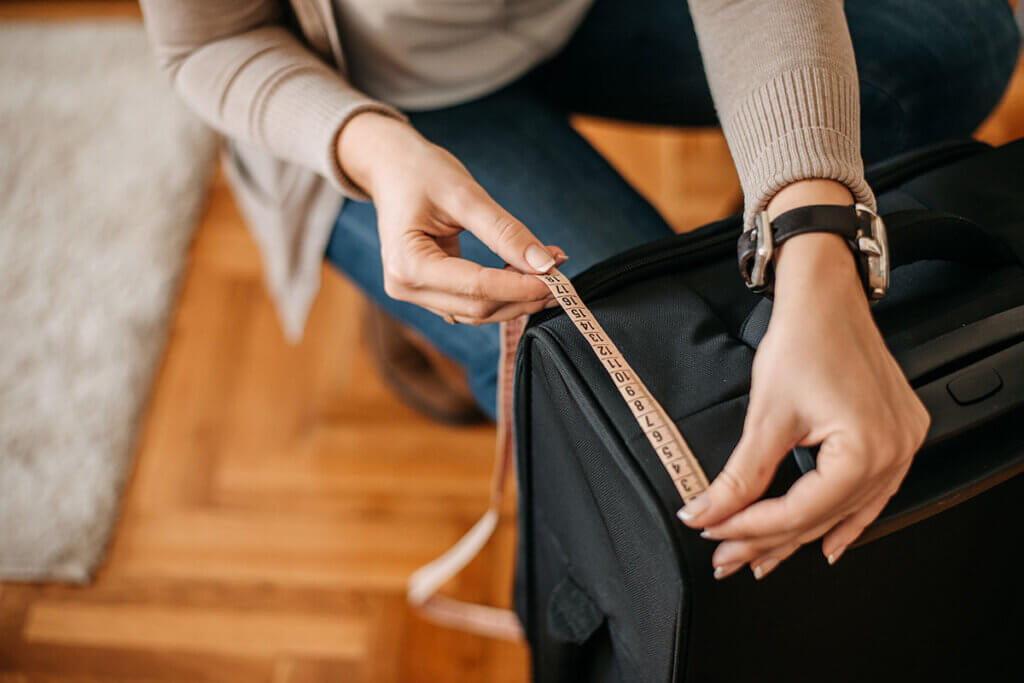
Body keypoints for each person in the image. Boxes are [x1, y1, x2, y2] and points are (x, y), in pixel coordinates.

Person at [140, 0, 1020, 580]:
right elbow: (212, 37)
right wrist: (371, 150)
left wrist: (809, 234)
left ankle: (724, 272)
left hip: (577, 15)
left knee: (959, 40)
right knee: (636, 417)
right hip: (363, 90)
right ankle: (459, 291)